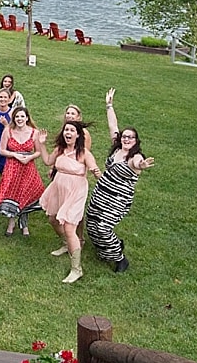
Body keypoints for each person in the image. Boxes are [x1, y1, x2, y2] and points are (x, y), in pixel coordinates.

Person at [85, 88, 155, 273]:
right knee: (91, 223)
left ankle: (120, 258)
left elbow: (138, 164)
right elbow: (113, 126)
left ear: (136, 140)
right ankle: (105, 251)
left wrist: (142, 166)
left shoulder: (135, 157)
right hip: (101, 193)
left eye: (130, 137)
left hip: (117, 199)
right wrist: (109, 105)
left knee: (103, 227)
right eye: (124, 136)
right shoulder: (117, 148)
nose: (126, 139)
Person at [36, 120, 101, 283]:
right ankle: (66, 244)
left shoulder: (84, 153)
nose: (68, 133)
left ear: (78, 134)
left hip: (75, 191)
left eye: (71, 130)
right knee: (52, 218)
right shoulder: (60, 150)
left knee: (69, 226)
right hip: (58, 187)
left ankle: (76, 269)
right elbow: (47, 161)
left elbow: (93, 167)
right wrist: (42, 144)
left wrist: (95, 171)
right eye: (66, 130)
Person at [0, 106, 44, 237]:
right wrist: (15, 155)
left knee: (25, 193)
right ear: (14, 119)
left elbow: (38, 152)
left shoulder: (34, 132)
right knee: (12, 194)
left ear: (27, 118)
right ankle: (11, 221)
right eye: (17, 117)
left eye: (22, 116)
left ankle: (24, 223)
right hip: (12, 166)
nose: (20, 119)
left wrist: (29, 157)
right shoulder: (8, 131)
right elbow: (2, 151)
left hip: (28, 167)